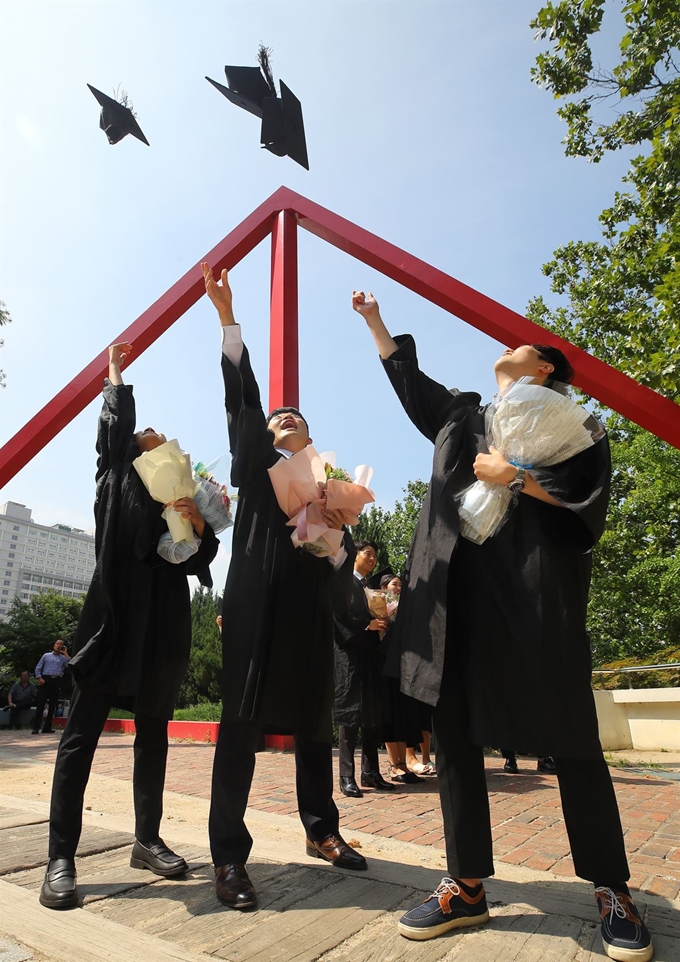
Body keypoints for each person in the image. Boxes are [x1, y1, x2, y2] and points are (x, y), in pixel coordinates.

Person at [352, 291, 653, 962]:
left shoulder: (576, 423)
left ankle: (612, 888)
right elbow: (411, 384)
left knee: (571, 733)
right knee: (453, 737)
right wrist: (374, 321)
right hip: (454, 597)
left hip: (532, 593)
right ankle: (465, 884)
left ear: (546, 369)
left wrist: (515, 476)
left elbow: (586, 498)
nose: (511, 344)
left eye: (527, 345)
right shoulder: (462, 413)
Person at [203, 263, 366, 913]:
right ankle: (228, 857)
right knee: (239, 723)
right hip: (252, 606)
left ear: (310, 439)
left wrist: (351, 582)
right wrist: (227, 319)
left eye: (295, 420)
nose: (284, 422)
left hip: (307, 614)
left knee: (314, 725)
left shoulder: (325, 489)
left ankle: (321, 829)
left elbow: (340, 559)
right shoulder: (255, 459)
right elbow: (242, 399)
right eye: (277, 420)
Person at [39, 341, 219, 910]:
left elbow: (198, 561)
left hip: (162, 631)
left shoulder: (180, 497)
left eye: (162, 436)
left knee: (153, 741)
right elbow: (116, 429)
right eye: (147, 434)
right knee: (80, 740)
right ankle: (60, 856)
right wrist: (115, 374)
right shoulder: (115, 479)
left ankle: (146, 839)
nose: (154, 436)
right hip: (112, 624)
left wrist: (198, 524)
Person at [333, 540, 394, 798]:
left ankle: (370, 772)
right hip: (350, 656)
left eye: (374, 556)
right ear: (354, 555)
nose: (372, 559)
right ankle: (346, 775)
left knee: (371, 714)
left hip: (369, 655)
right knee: (350, 717)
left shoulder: (369, 588)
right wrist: (366, 626)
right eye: (367, 554)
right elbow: (338, 617)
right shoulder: (344, 581)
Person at [32, 640, 70, 734]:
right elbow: (38, 668)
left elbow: (69, 665)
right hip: (46, 680)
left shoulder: (63, 658)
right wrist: (39, 678)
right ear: (54, 645)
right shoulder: (46, 656)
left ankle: (47, 727)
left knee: (53, 705)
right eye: (57, 644)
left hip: (56, 681)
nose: (58, 646)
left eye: (60, 645)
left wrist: (65, 653)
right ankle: (36, 727)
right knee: (41, 704)